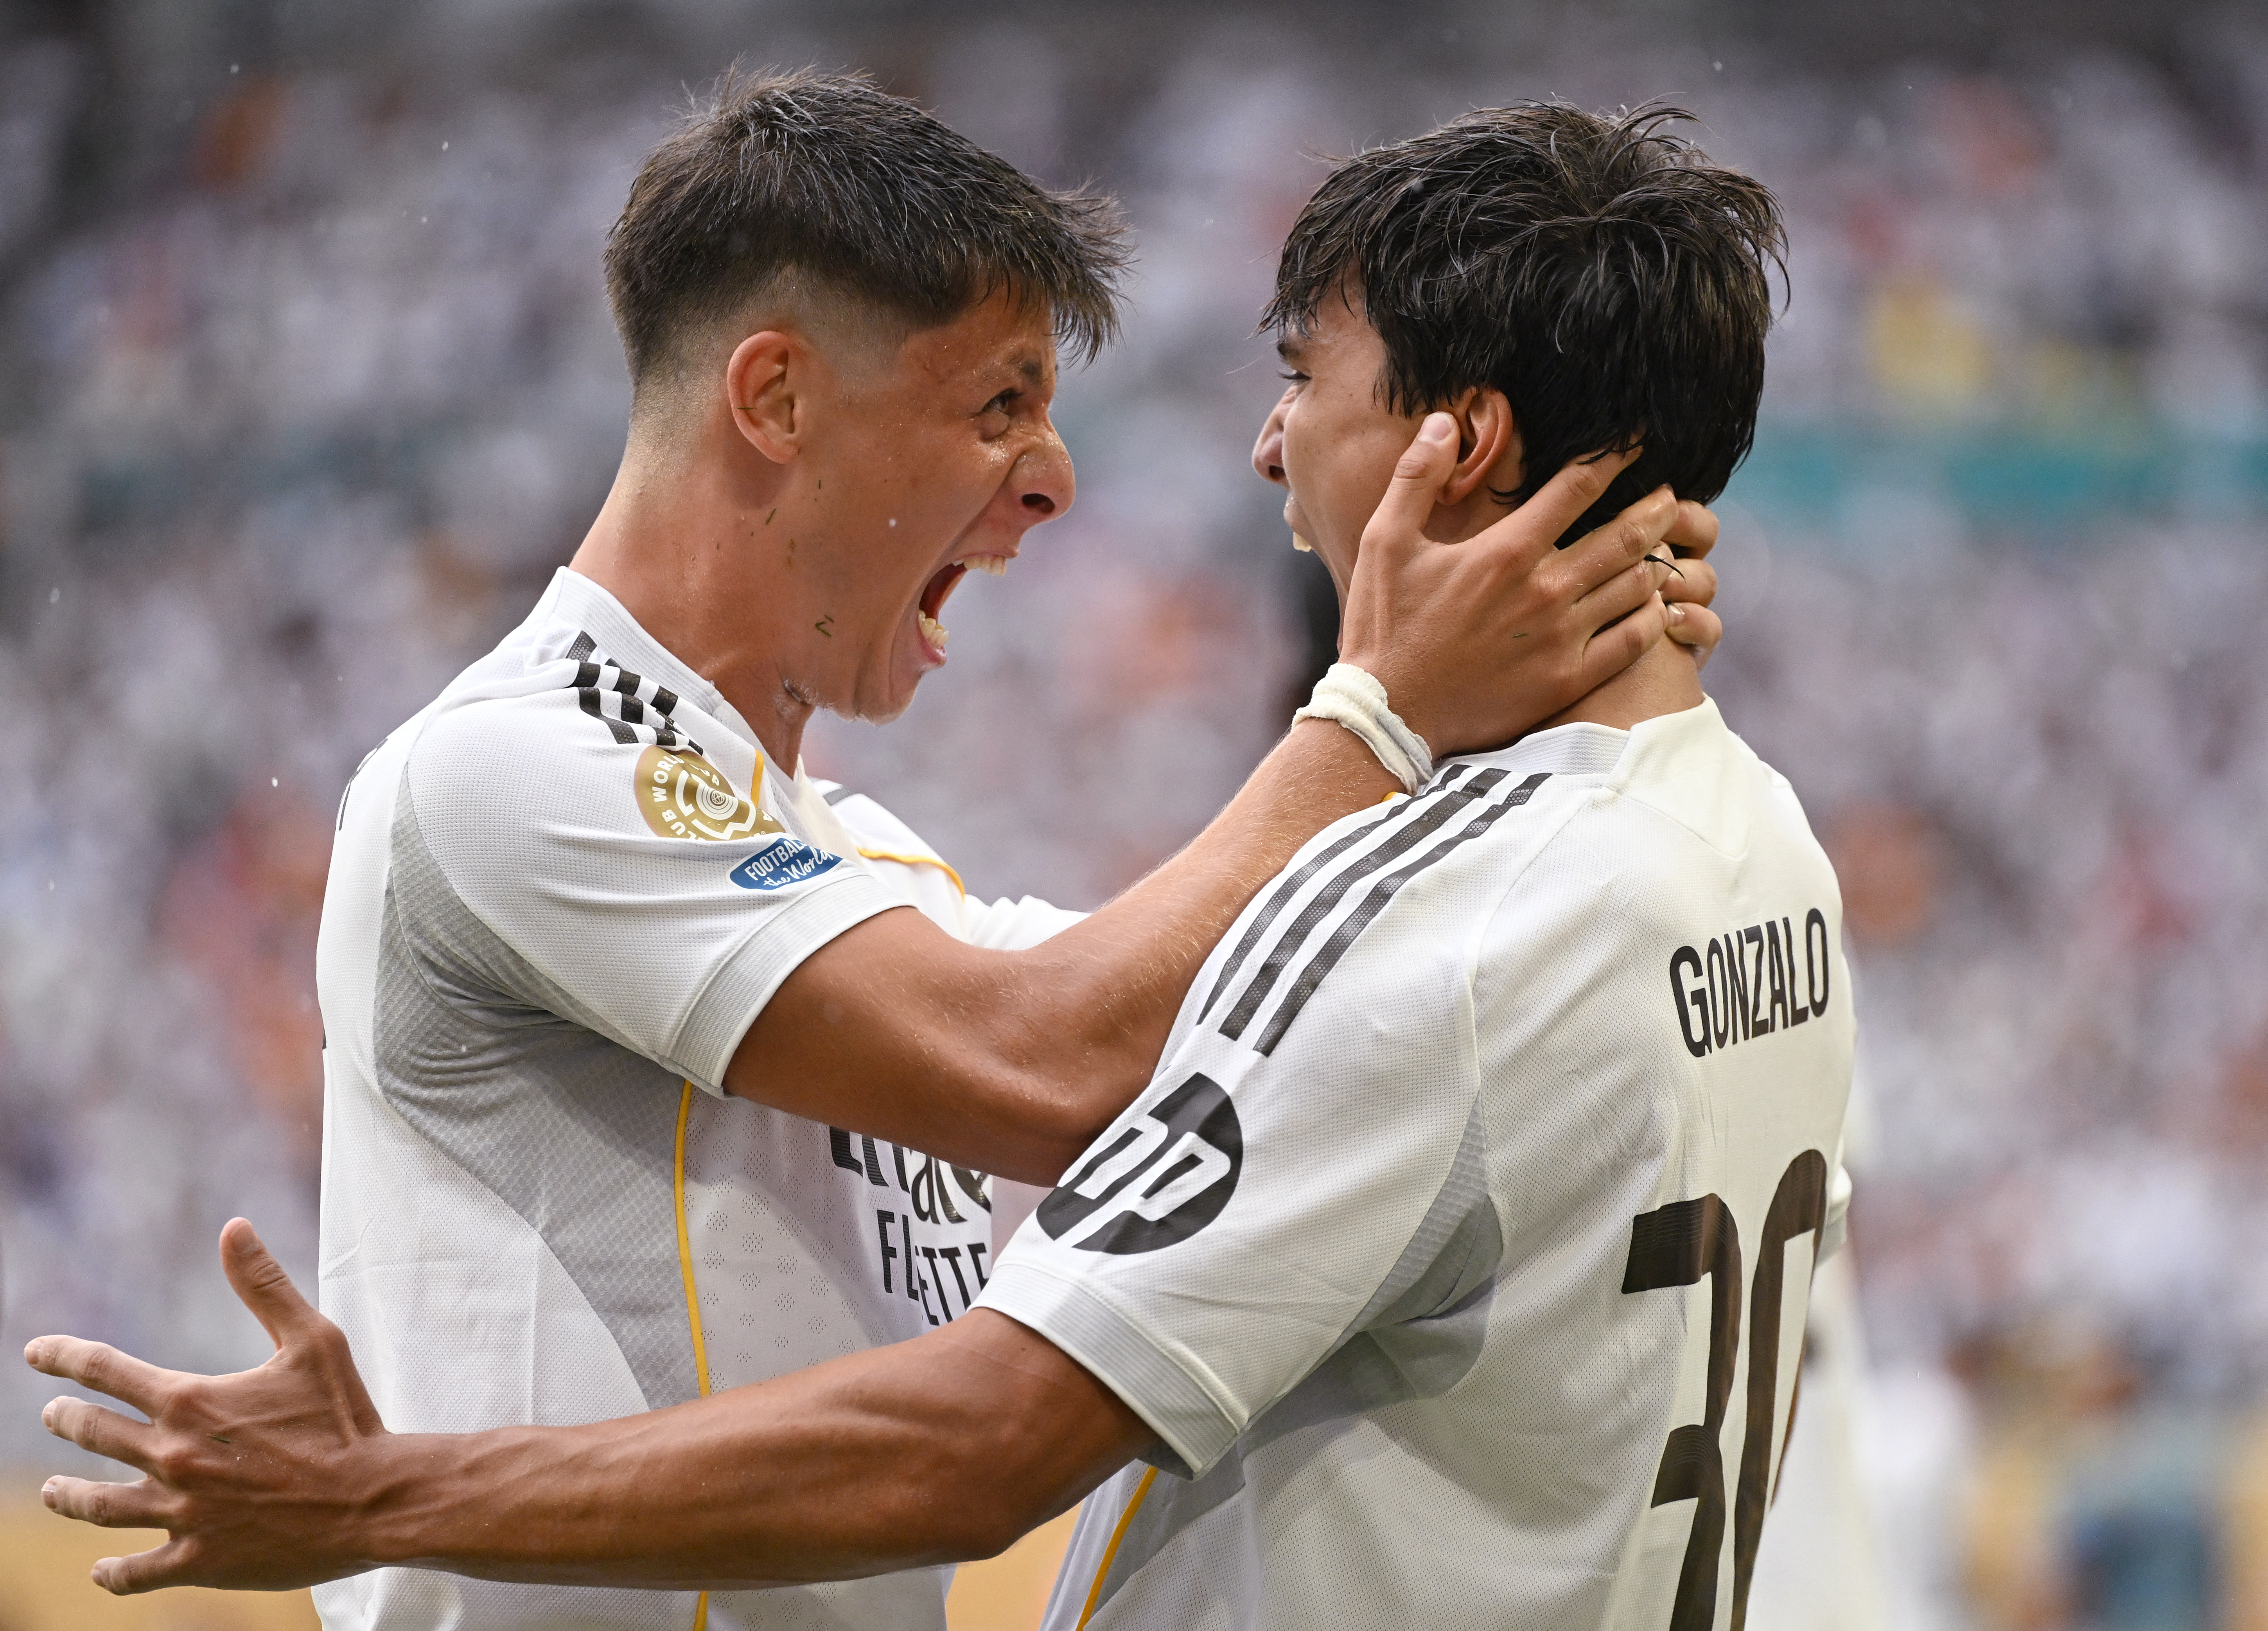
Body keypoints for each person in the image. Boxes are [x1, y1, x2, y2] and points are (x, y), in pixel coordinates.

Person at [27, 73, 1722, 1631]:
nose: (1051, 481)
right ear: (775, 397)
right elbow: (1050, 1061)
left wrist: (1550, 667)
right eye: (997, 404)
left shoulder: (869, 873)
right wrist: (1381, 711)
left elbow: (1200, 1022)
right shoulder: (508, 766)